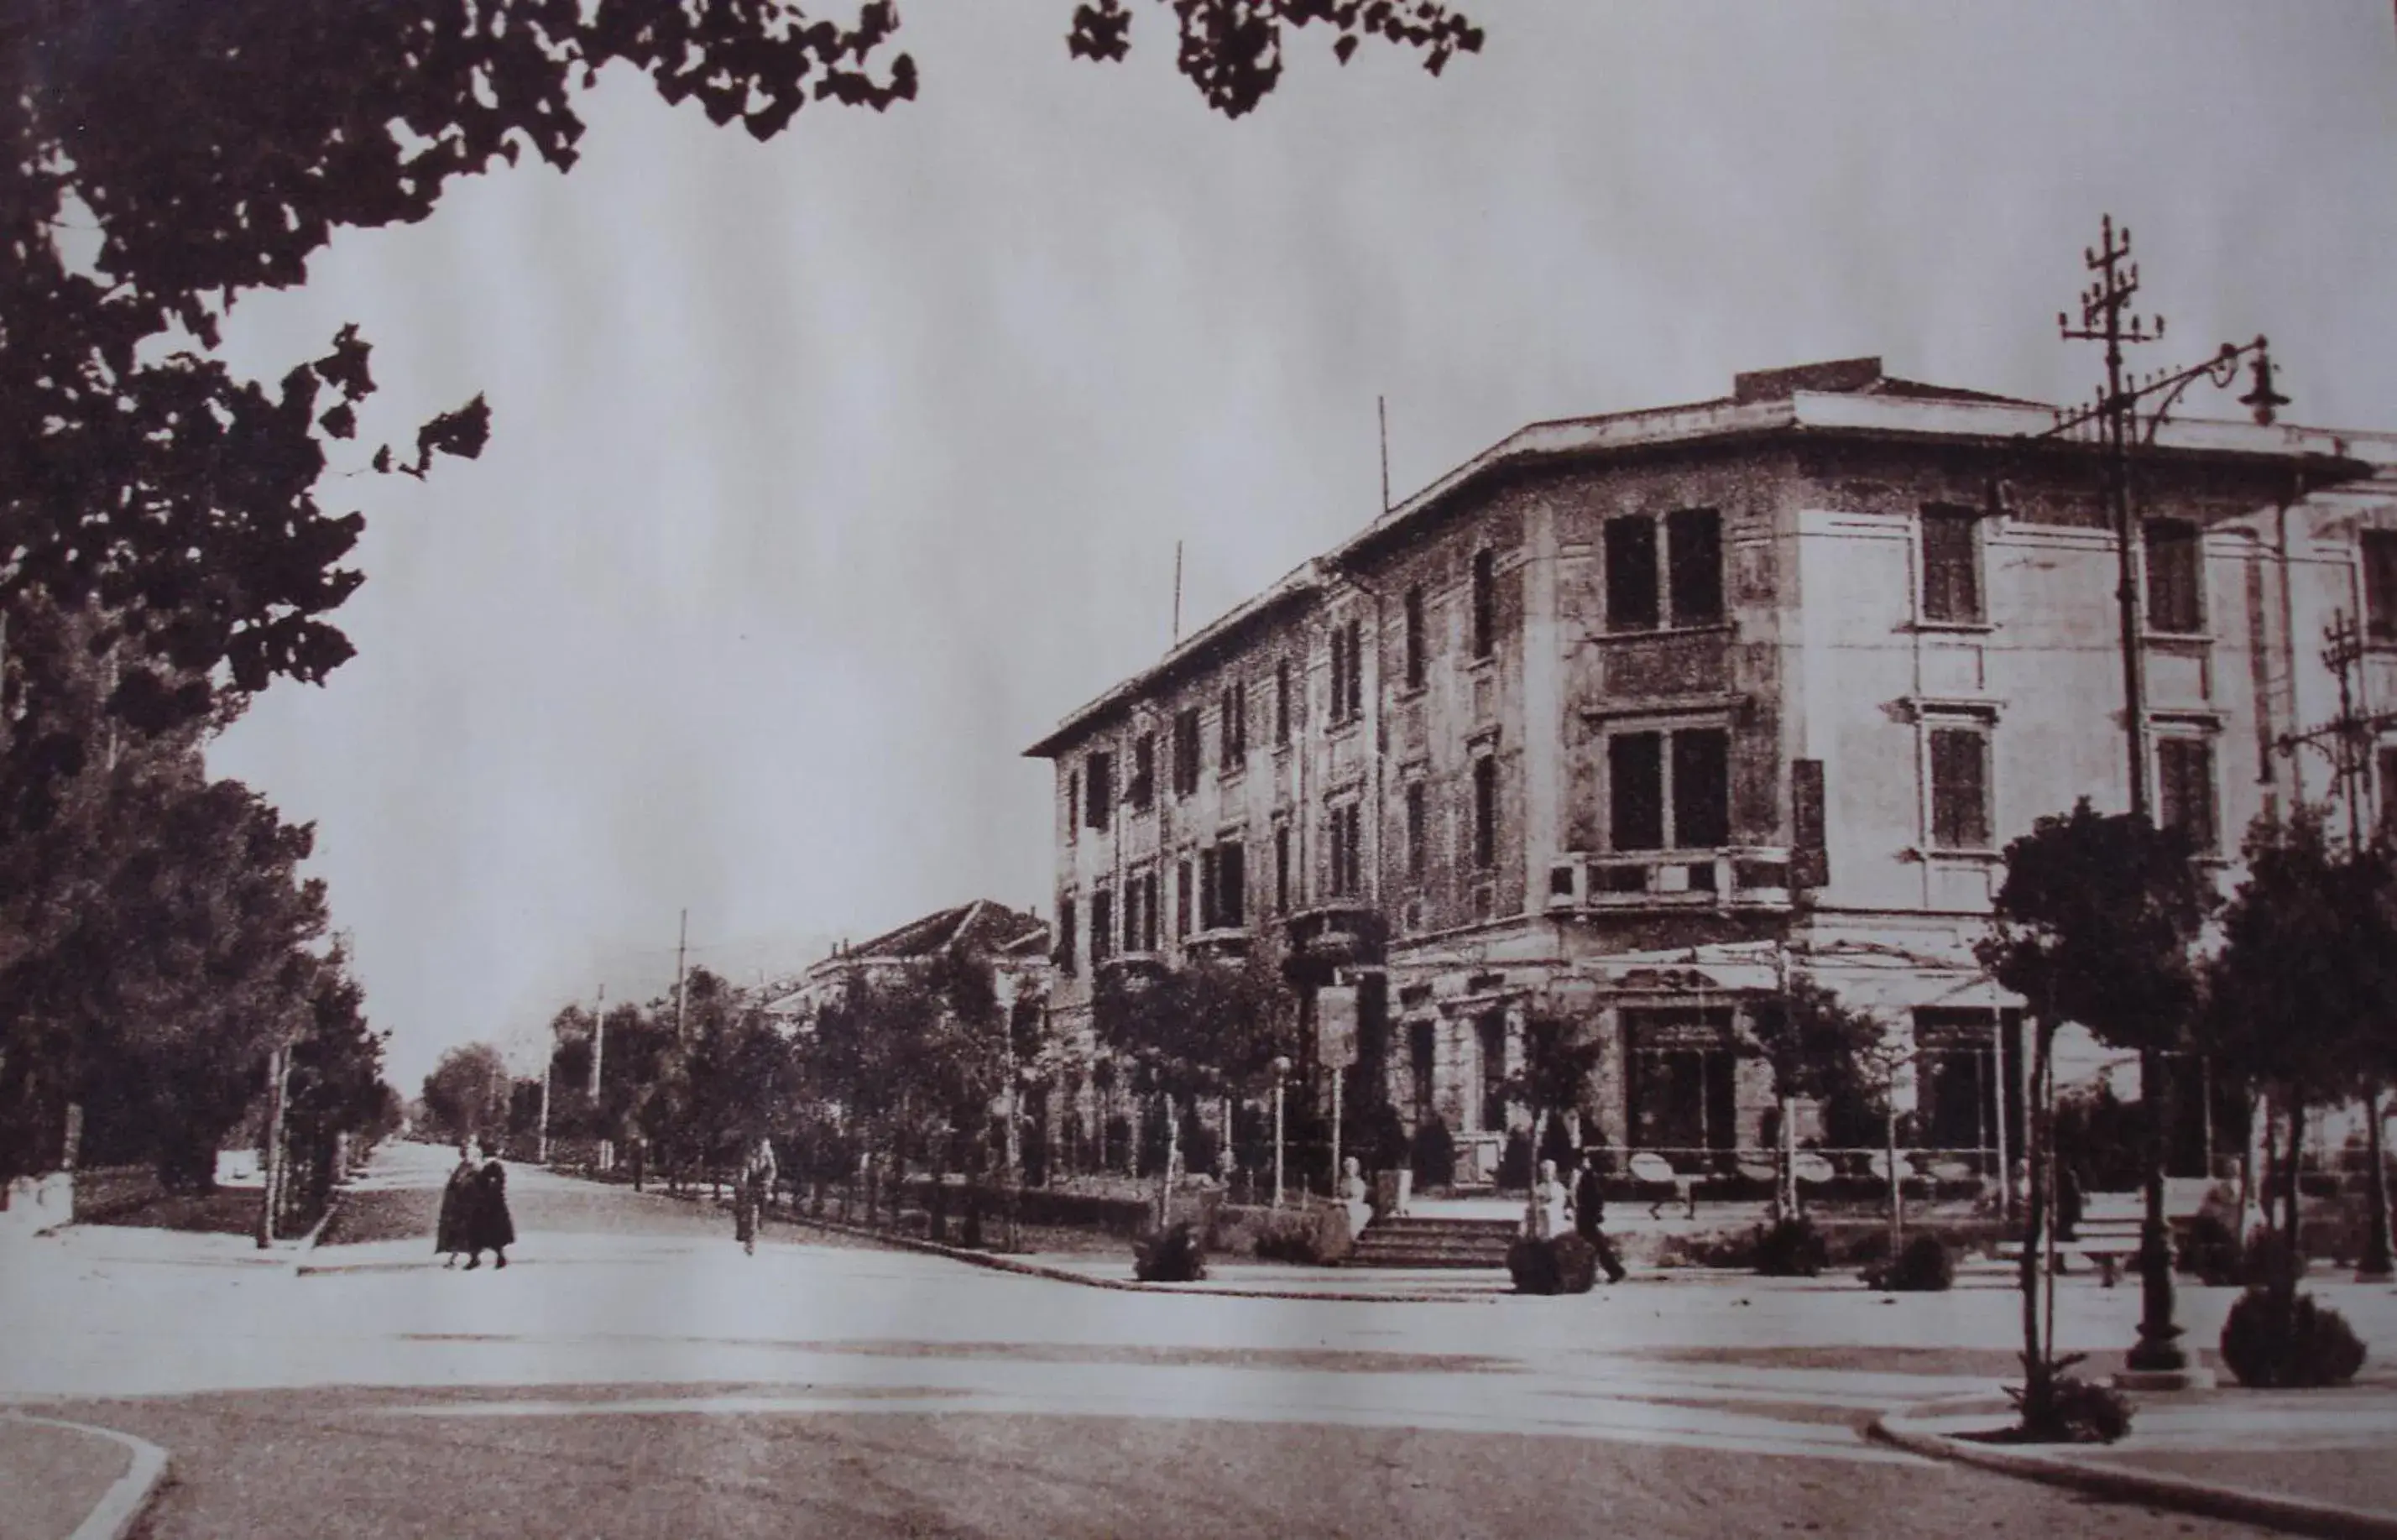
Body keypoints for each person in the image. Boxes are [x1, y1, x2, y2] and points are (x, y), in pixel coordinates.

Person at [1573, 1149, 1630, 1284]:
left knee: (1597, 1246)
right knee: (1594, 1245)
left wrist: (1596, 1214)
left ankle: (1615, 1270)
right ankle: (1600, 1271)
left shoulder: (1589, 1177)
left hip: (1587, 1216)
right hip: (1584, 1215)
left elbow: (1597, 1197)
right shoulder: (1585, 1176)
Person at [463, 1142, 514, 1270]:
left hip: (490, 1205)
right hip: (488, 1205)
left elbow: (495, 1185)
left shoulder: (492, 1166)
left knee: (484, 1231)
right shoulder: (487, 1166)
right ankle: (481, 1258)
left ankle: (487, 1258)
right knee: (484, 1232)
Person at [735, 1134, 776, 1255]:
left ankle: (761, 1221)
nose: (761, 1150)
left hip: (762, 1183)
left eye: (764, 1148)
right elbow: (744, 1169)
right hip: (748, 1184)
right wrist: (743, 1182)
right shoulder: (748, 1155)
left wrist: (768, 1182)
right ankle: (742, 1231)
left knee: (763, 1204)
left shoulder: (768, 1156)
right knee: (742, 1206)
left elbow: (772, 1170)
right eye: (759, 1147)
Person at [435, 1145, 476, 1267]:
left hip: (467, 1206)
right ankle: (454, 1259)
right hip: (459, 1206)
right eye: (464, 1154)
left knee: (466, 1233)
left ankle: (468, 1258)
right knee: (458, 1233)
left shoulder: (472, 1167)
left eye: (467, 1154)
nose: (465, 1156)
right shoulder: (462, 1166)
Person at [1527, 1157, 1569, 1240]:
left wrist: (1546, 1202)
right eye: (1544, 1171)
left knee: (1546, 1211)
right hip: (1539, 1211)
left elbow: (1559, 1202)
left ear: (1553, 1172)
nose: (1546, 1173)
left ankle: (1548, 1237)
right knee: (1530, 1212)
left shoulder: (1558, 1187)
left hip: (1554, 1212)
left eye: (1548, 1170)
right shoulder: (1540, 1187)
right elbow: (1535, 1201)